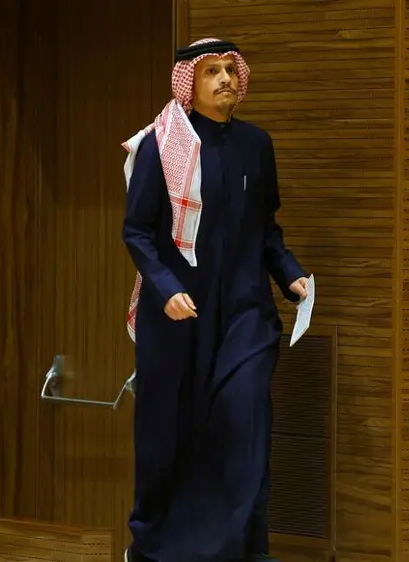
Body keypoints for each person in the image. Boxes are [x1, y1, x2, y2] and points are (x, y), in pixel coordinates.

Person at [120, 38, 309, 562]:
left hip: (246, 312)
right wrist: (166, 288)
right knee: (168, 434)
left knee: (245, 422)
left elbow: (266, 227)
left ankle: (243, 550)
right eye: (211, 71)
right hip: (179, 316)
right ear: (188, 84)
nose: (225, 78)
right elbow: (137, 232)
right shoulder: (161, 146)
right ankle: (155, 547)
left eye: (230, 69)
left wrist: (289, 274)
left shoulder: (256, 145)